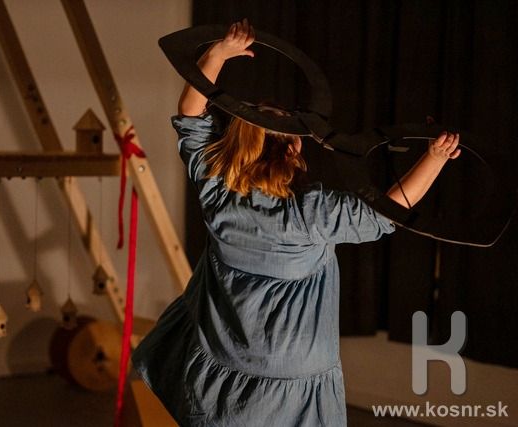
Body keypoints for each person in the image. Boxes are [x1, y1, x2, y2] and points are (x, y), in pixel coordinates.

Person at [132, 19, 460, 427]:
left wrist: (216, 55)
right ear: (291, 149)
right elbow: (389, 211)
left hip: (223, 383)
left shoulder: (216, 189)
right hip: (291, 392)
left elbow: (190, 115)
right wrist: (435, 158)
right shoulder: (313, 213)